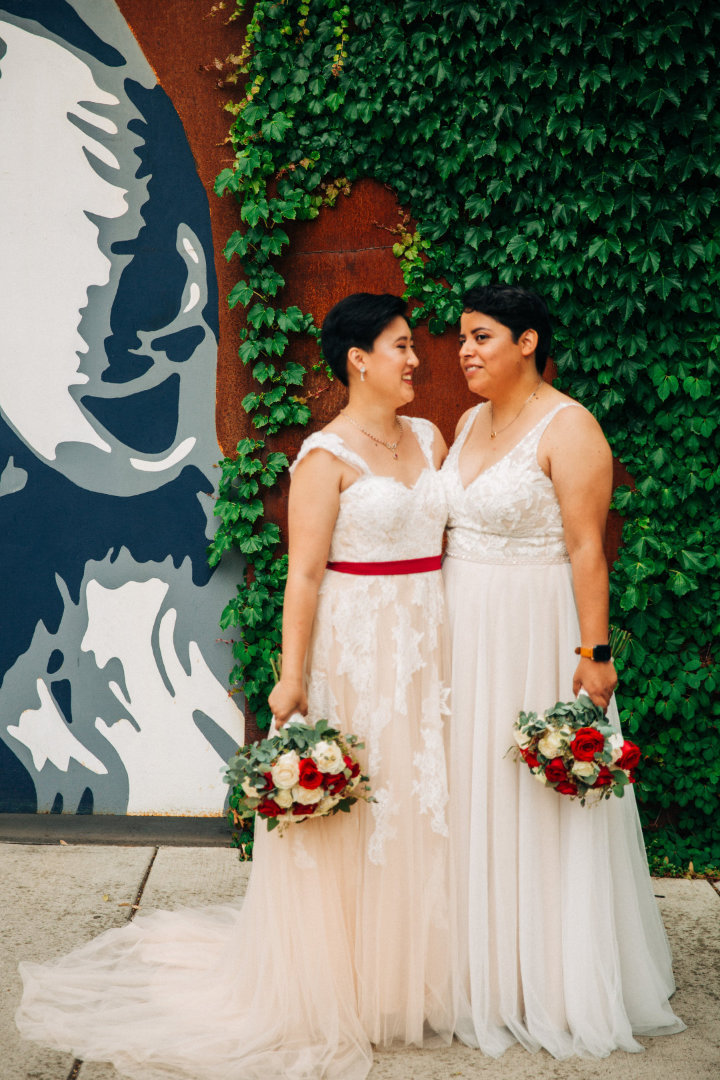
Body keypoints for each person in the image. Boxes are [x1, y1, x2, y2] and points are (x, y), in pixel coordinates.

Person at [16, 293, 456, 1080]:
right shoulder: (326, 457)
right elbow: (305, 577)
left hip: (429, 643)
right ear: (358, 359)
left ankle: (410, 974)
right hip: (358, 651)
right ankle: (342, 981)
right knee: (359, 807)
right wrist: (292, 680)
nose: (416, 359)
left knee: (421, 804)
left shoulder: (430, 436)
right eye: (400, 346)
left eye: (411, 346)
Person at [442, 284, 684, 1058]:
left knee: (534, 796)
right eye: (461, 339)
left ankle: (550, 973)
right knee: (472, 787)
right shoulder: (465, 421)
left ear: (528, 342)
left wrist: (595, 655)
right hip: (462, 631)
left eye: (481, 336)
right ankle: (479, 966)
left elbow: (588, 550)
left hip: (534, 630)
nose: (465, 352)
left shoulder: (572, 427)